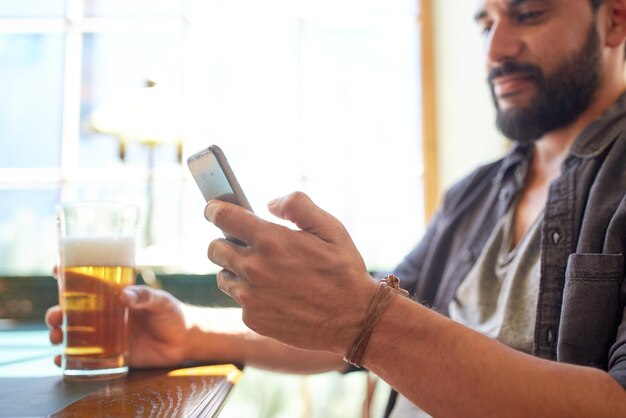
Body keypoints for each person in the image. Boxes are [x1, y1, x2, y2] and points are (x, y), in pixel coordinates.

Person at [47, 0, 626, 415]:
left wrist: (365, 318)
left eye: (529, 14)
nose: (497, 49)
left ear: (614, 18)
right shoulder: (474, 194)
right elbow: (353, 339)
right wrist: (193, 334)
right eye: (486, 21)